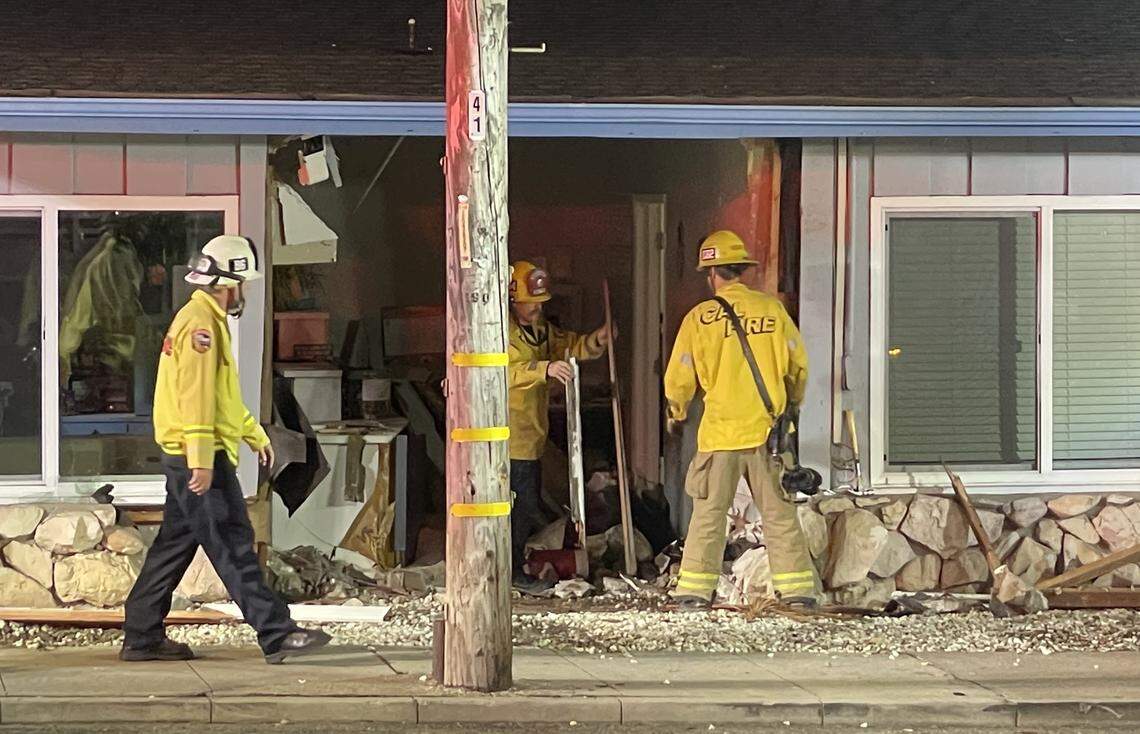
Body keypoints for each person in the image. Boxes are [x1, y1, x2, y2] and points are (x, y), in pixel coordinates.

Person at [122, 235, 331, 664]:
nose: (247, 293)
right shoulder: (201, 326)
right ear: (229, 283)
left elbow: (222, 397)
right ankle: (276, 633)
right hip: (200, 456)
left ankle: (141, 633)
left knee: (174, 545)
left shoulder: (205, 318)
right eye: (245, 284)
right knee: (232, 543)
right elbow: (197, 398)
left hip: (192, 454)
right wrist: (201, 462)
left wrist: (254, 433)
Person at [664, 230, 819, 610]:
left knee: (709, 516)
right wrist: (791, 407)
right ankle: (798, 593)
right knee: (780, 515)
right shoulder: (772, 311)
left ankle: (693, 594)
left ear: (711, 274)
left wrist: (677, 410)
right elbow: (798, 366)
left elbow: (679, 377)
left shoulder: (699, 319)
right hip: (769, 436)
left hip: (720, 436)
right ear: (743, 271)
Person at [507, 260, 611, 593]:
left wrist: (597, 340)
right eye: (531, 301)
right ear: (512, 298)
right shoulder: (499, 333)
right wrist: (544, 369)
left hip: (531, 436)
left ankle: (515, 568)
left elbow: (568, 346)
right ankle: (510, 572)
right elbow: (499, 373)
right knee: (514, 510)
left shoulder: (539, 331)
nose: (537, 307)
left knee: (525, 507)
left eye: (540, 301)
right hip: (506, 439)